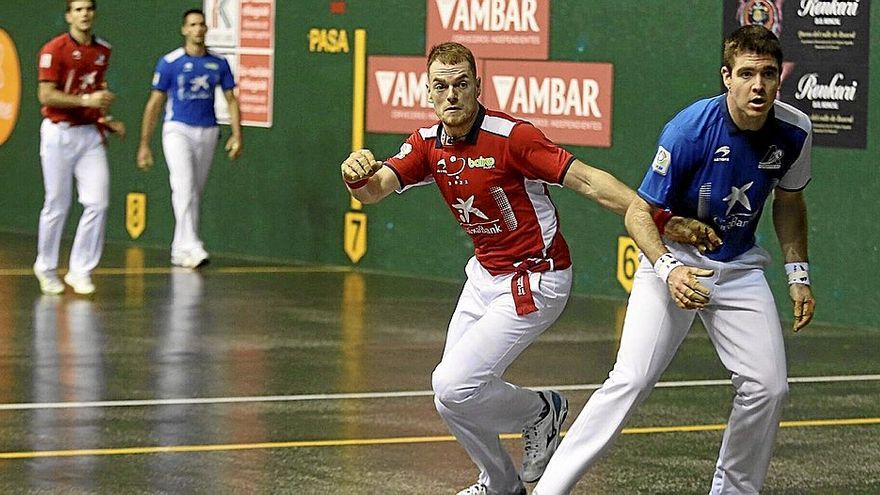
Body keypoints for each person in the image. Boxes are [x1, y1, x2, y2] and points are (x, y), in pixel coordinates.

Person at [340, 42, 719, 495]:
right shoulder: (426, 145)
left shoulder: (511, 137)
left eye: (462, 84)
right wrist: (355, 176)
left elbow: (586, 180)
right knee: (451, 399)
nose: (452, 95)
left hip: (536, 279)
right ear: (427, 92)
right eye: (441, 86)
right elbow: (375, 189)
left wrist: (661, 218)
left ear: (478, 86)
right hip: (484, 276)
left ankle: (541, 411)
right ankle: (501, 484)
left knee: (452, 382)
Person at [534, 25, 816, 495]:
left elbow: (789, 201)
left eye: (768, 74)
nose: (758, 86)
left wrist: (797, 273)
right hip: (673, 258)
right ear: (727, 76)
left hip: (740, 266)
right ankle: (550, 489)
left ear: (779, 79)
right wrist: (669, 268)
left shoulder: (794, 131)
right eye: (746, 74)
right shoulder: (689, 129)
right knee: (630, 379)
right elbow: (639, 213)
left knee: (769, 388)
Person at [136, 8, 242, 269]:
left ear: (206, 29)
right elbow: (154, 104)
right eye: (192, 25)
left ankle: (180, 249)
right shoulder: (170, 62)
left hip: (207, 131)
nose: (197, 29)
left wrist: (237, 135)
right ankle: (192, 244)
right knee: (183, 187)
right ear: (184, 30)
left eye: (201, 24)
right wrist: (144, 144)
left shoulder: (219, 63)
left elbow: (231, 100)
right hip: (177, 129)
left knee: (194, 192)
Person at [33, 0, 125, 295]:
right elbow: (46, 95)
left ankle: (80, 270)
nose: (85, 14)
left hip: (89, 135)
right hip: (58, 133)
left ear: (94, 14)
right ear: (68, 16)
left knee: (98, 202)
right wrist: (87, 102)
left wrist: (104, 118)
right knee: (57, 205)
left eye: (89, 9)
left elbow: (93, 90)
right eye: (78, 9)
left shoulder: (103, 51)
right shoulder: (53, 50)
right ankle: (46, 268)